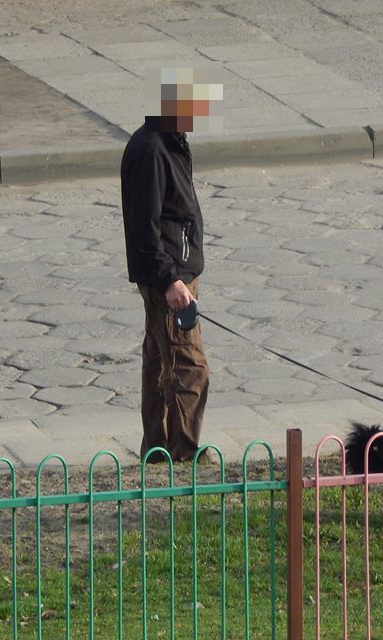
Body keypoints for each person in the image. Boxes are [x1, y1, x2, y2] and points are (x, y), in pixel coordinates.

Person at [120, 67, 221, 463]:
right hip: (170, 280)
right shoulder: (152, 150)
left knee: (160, 365)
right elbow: (146, 229)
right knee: (189, 367)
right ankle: (184, 453)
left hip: (173, 275)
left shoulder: (168, 141)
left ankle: (158, 450)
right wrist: (170, 280)